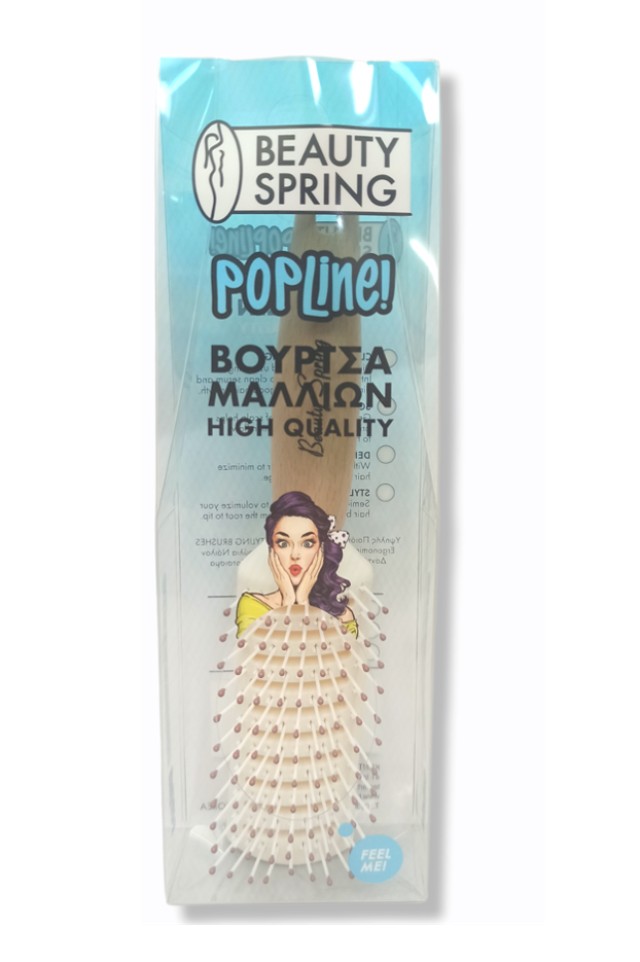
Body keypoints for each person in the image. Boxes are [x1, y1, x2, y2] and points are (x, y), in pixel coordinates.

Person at [236, 491, 357, 637]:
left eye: (307, 543)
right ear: (271, 550)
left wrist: (303, 603)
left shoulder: (342, 617)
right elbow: (257, 651)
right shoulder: (252, 605)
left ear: (321, 549)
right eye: (283, 543)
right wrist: (288, 601)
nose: (294, 555)